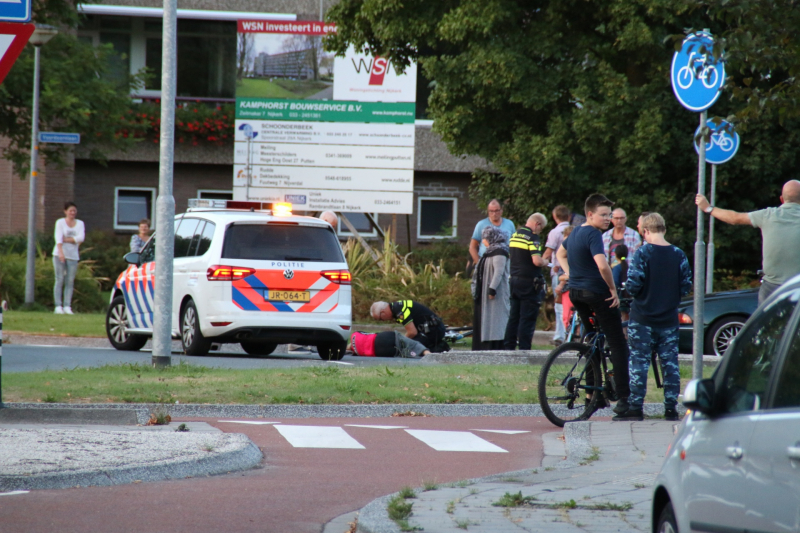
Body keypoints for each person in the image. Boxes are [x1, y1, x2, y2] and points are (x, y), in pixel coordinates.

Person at [556, 193, 631, 414]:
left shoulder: (575, 232)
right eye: (603, 214)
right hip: (597, 293)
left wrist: (572, 274)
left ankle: (593, 396)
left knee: (592, 342)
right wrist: (612, 289)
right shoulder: (593, 234)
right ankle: (625, 400)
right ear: (590, 214)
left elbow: (561, 254)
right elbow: (603, 266)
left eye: (610, 214)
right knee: (617, 343)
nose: (608, 219)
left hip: (577, 293)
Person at [613, 213, 692, 421]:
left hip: (643, 318)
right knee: (670, 365)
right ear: (664, 229)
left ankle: (636, 408)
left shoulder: (643, 253)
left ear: (646, 231)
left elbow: (633, 284)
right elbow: (686, 286)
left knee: (639, 363)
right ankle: (670, 409)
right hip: (668, 319)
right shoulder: (678, 254)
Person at [696, 180, 800, 304]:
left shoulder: (768, 215)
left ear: (782, 199)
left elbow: (735, 218)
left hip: (772, 287)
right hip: (797, 286)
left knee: (766, 322)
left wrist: (708, 208)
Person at [503, 213, 547, 350]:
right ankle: (524, 350)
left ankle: (508, 348)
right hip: (529, 283)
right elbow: (536, 261)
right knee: (527, 318)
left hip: (514, 280)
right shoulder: (533, 238)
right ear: (537, 224)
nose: (540, 231)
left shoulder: (514, 236)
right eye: (541, 228)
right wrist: (545, 262)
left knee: (514, 317)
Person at [471, 226, 510, 350]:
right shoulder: (489, 252)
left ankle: (495, 346)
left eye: (485, 238)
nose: (483, 241)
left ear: (492, 238)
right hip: (483, 292)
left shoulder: (500, 252)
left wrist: (492, 288)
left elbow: (498, 272)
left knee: (496, 319)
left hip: (494, 293)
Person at [370, 300, 448, 352]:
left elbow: (412, 332)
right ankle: (435, 346)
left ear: (383, 312)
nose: (383, 321)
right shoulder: (396, 306)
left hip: (434, 330)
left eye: (380, 319)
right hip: (430, 329)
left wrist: (399, 343)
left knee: (408, 348)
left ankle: (440, 347)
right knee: (409, 345)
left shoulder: (399, 311)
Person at [543, 205, 572, 346]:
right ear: (569, 216)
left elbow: (549, 252)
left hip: (559, 273)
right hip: (572, 273)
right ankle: (570, 333)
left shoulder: (555, 232)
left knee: (560, 306)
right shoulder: (575, 230)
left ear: (555, 217)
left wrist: (542, 262)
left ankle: (560, 335)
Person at [52, 201, 85, 315]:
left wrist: (67, 239)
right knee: (59, 279)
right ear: (65, 211)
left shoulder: (80, 223)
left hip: (73, 255)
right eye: (70, 211)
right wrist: (61, 253)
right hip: (59, 254)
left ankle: (67, 305)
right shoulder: (60, 222)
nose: (72, 213)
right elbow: (58, 238)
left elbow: (81, 238)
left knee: (70, 281)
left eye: (74, 211)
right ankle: (58, 306)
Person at [468, 199, 515, 266]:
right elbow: (472, 247)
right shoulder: (481, 224)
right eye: (491, 211)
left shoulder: (509, 224)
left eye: (496, 211)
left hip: (505, 262)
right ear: (488, 211)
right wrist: (479, 264)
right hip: (486, 262)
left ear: (501, 210)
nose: (494, 214)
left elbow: (514, 244)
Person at [349, 331, 430, 358]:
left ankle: (424, 353)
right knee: (411, 343)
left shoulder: (356, 352)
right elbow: (370, 334)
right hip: (382, 338)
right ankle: (428, 354)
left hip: (382, 352)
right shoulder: (355, 334)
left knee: (404, 352)